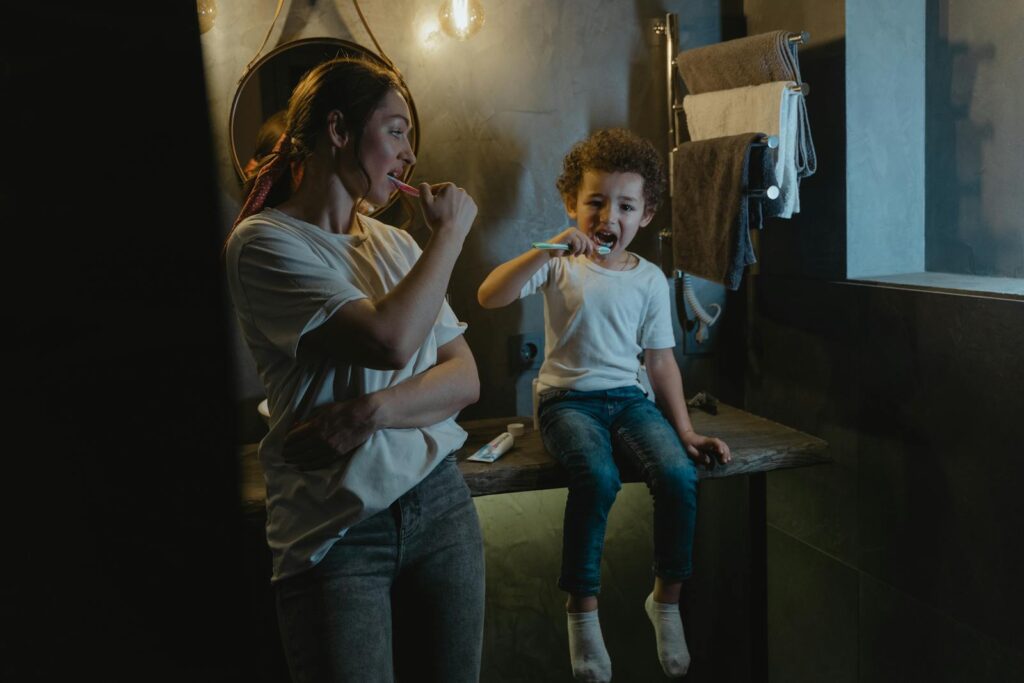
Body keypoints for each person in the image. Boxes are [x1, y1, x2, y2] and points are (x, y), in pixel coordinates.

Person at [223, 57, 484, 683]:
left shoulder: (395, 243)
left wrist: (368, 413)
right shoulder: (262, 243)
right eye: (395, 131)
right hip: (336, 532)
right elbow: (391, 341)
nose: (410, 153)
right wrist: (450, 237)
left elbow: (466, 379)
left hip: (440, 505)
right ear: (338, 130)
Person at [477, 128, 732, 681]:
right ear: (572, 203)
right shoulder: (560, 263)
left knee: (677, 476)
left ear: (645, 215)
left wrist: (685, 432)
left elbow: (661, 361)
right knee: (596, 476)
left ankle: (665, 602)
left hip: (629, 400)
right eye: (594, 201)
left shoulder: (648, 280)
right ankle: (583, 613)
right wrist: (544, 248)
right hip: (565, 403)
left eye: (624, 204)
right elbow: (488, 295)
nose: (607, 215)